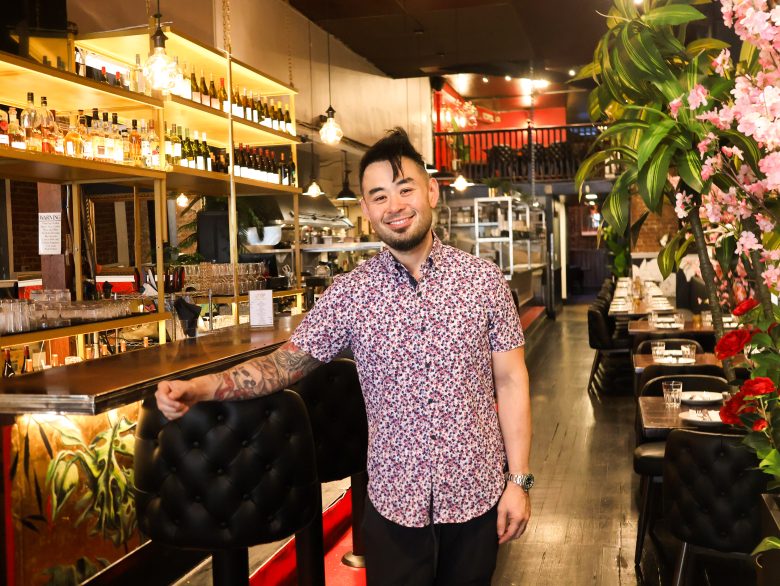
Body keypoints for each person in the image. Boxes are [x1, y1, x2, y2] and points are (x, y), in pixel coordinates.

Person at [156, 128, 533, 585]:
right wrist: (201, 388)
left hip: (476, 496)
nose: (394, 206)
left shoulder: (483, 280)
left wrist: (519, 481)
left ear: (430, 191)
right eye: (378, 196)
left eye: (405, 188)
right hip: (394, 506)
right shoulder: (351, 294)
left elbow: (512, 382)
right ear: (367, 209)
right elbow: (284, 364)